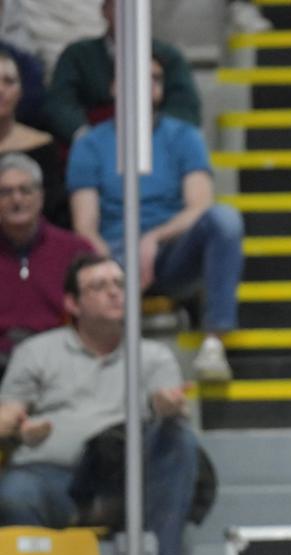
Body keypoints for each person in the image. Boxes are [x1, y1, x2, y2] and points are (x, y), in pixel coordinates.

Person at [0, 254, 200, 555]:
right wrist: (17, 427)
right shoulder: (37, 352)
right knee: (16, 491)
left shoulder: (153, 356)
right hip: (52, 479)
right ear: (72, 303)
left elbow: (167, 402)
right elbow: (8, 413)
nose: (114, 293)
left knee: (179, 438)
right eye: (99, 286)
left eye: (120, 285)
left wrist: (166, 407)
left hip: (122, 481)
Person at [66, 55, 243, 381]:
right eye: (139, 76)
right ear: (115, 86)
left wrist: (153, 239)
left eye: (156, 78)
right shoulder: (89, 144)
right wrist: (113, 268)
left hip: (169, 253)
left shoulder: (185, 137)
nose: (149, 84)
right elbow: (85, 225)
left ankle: (214, 344)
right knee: (81, 258)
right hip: (112, 252)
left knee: (225, 219)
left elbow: (200, 206)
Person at [43, 0, 200, 145]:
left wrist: (156, 137)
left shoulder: (169, 56)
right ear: (104, 10)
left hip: (156, 146)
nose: (128, 13)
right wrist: (88, 137)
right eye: (119, 5)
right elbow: (60, 104)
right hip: (92, 144)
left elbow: (185, 109)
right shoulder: (77, 55)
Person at [0, 152, 92, 370]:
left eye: (25, 190)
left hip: (61, 361)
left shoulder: (76, 250)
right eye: (5, 192)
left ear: (40, 196)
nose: (17, 199)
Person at [0, 50, 67, 228]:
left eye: (9, 81)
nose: (0, 90)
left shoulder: (43, 145)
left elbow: (54, 212)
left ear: (21, 91)